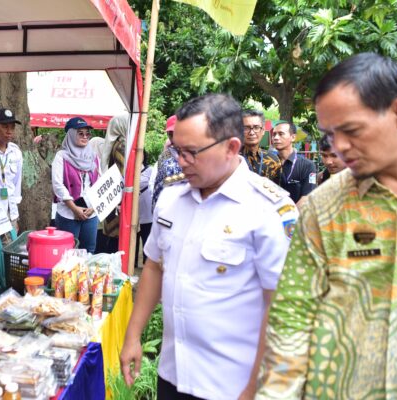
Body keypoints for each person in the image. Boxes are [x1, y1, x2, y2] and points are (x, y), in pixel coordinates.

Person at [257, 53, 397, 398]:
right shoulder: (324, 207)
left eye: (352, 130)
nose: (340, 148)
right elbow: (292, 321)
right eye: (331, 135)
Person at [120, 94, 297, 400]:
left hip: (231, 384)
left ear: (231, 148)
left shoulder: (269, 209)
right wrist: (133, 335)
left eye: (191, 152)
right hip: (173, 374)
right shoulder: (172, 199)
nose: (181, 162)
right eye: (177, 151)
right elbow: (153, 265)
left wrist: (255, 389)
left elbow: (281, 307)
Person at [52, 117, 101, 253]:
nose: (85, 137)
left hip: (90, 213)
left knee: (89, 250)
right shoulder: (61, 156)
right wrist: (74, 208)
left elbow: (99, 182)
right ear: (71, 135)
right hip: (68, 213)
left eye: (87, 133)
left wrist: (93, 207)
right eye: (81, 133)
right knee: (68, 252)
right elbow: (58, 185)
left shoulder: (93, 156)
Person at [97, 113, 128, 253]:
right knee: (116, 240)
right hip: (119, 200)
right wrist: (122, 202)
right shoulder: (122, 145)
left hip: (113, 199)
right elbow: (123, 175)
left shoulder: (114, 144)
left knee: (111, 237)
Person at [271, 120, 317, 205]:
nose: (276, 138)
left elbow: (307, 196)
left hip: (295, 215)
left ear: (293, 137)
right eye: (274, 134)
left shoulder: (307, 165)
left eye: (281, 134)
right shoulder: (268, 162)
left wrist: (290, 216)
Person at [151, 115, 184, 211]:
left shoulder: (195, 153)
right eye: (171, 133)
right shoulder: (164, 156)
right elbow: (158, 184)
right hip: (167, 207)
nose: (173, 136)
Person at [241, 109, 281, 181]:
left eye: (256, 127)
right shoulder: (231, 158)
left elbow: (278, 189)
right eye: (246, 128)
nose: (252, 132)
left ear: (263, 131)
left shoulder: (273, 160)